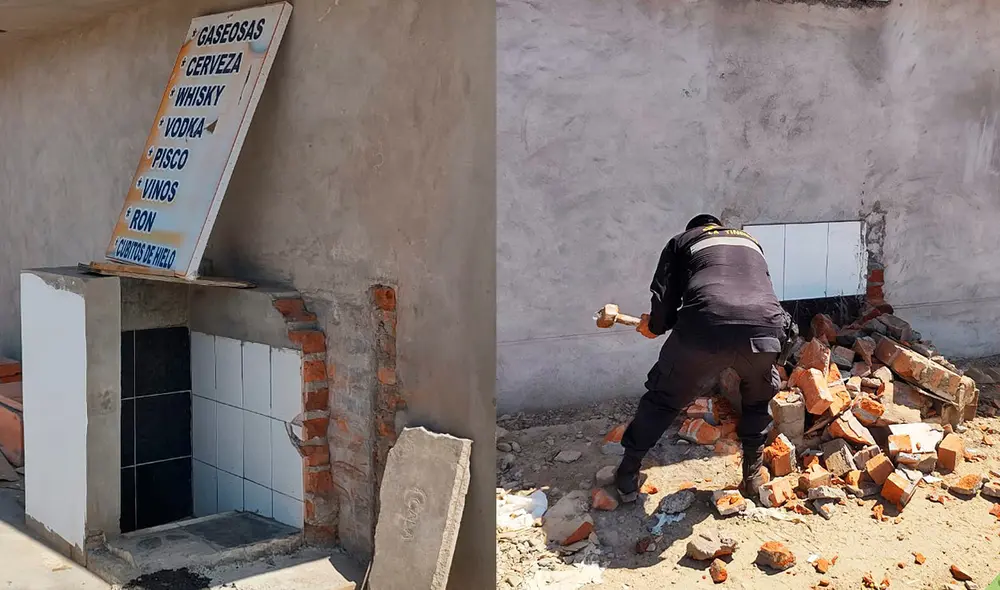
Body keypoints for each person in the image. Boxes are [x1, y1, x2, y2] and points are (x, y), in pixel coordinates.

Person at [615, 213, 792, 502]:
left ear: (694, 229)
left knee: (664, 399)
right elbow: (756, 290)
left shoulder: (682, 242)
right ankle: (752, 476)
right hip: (766, 329)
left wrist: (655, 326)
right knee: (757, 398)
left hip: (705, 330)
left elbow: (665, 297)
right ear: (718, 227)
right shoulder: (750, 242)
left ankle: (627, 476)